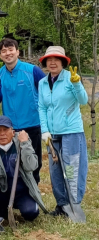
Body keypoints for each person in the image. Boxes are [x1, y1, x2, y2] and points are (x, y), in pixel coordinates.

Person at [37, 46, 88, 216]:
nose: (52, 63)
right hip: (52, 135)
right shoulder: (42, 83)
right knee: (55, 170)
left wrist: (77, 84)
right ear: (45, 63)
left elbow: (83, 100)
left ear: (63, 62)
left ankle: (74, 204)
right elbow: (42, 108)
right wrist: (45, 131)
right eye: (49, 60)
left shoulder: (70, 79)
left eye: (56, 59)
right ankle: (62, 205)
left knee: (72, 169)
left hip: (71, 132)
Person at [0, 38, 46, 183]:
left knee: (33, 162)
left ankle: (33, 194)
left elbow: (47, 92)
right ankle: (17, 194)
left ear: (17, 52)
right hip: (10, 128)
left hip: (32, 124)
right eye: (4, 51)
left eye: (10, 50)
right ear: (0, 55)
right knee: (13, 162)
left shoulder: (32, 70)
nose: (8, 53)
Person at [0, 116, 47, 221]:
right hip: (2, 190)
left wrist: (25, 144)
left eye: (5, 130)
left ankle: (23, 204)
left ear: (13, 132)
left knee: (31, 213)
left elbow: (32, 166)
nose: (2, 134)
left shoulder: (22, 143)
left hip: (22, 191)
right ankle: (1, 209)